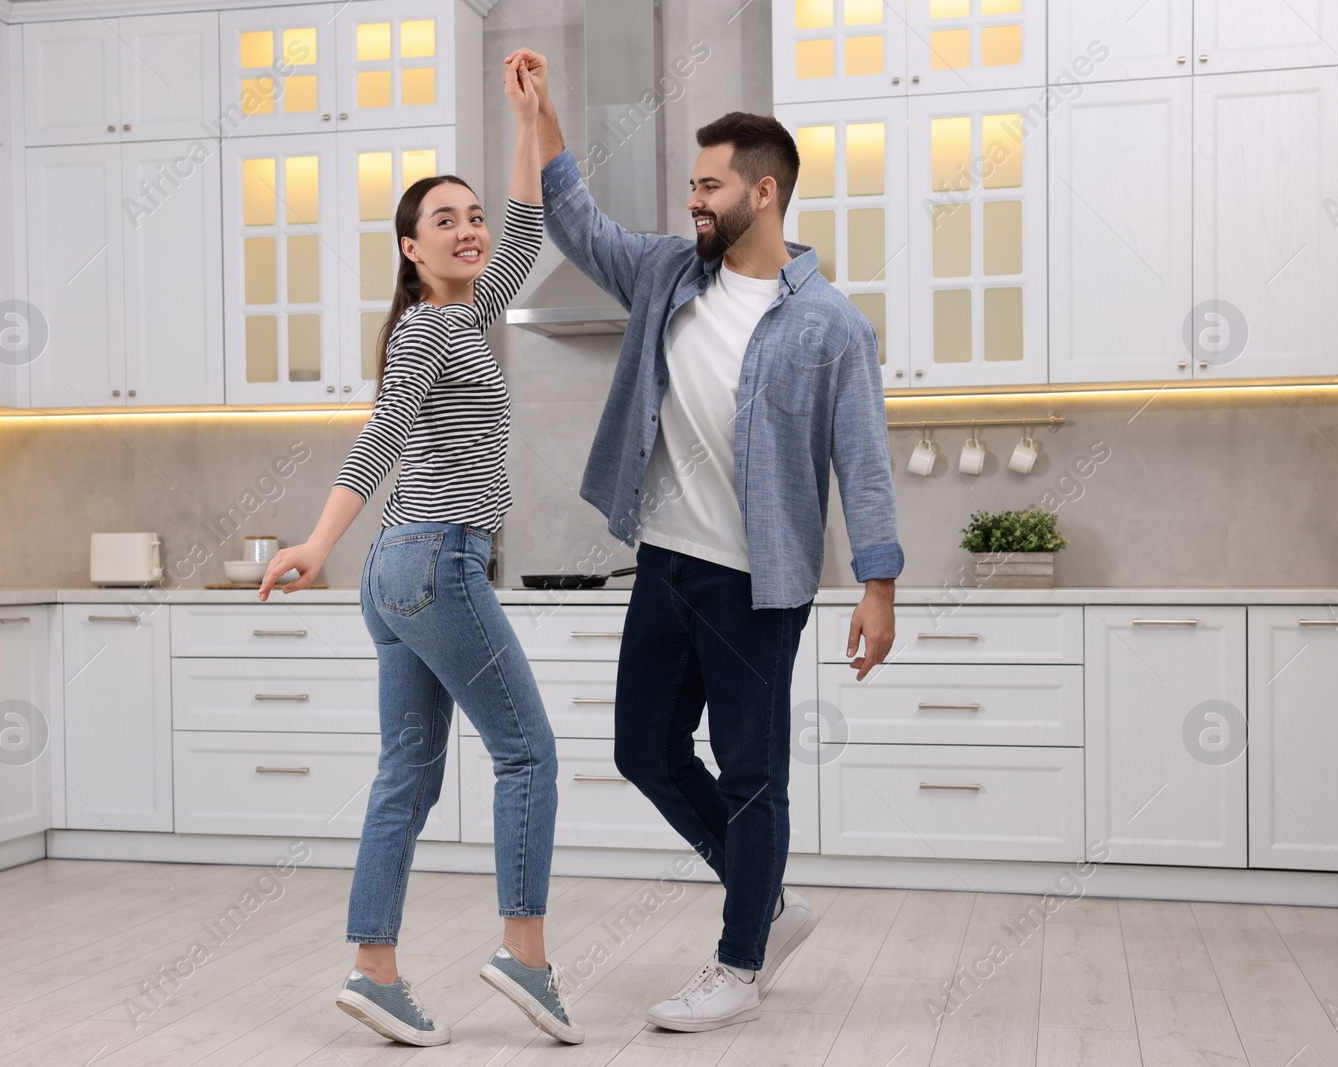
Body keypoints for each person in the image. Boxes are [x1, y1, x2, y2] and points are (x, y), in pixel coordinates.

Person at [503, 48, 903, 1032]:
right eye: (689, 186)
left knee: (751, 770)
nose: (693, 201)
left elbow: (863, 464)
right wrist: (541, 116)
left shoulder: (828, 327)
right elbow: (574, 219)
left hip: (757, 584)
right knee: (643, 747)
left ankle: (737, 960)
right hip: (666, 561)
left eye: (708, 185)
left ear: (762, 193)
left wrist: (877, 585)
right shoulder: (665, 274)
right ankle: (760, 897)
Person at [258, 54, 582, 1048]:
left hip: (403, 570)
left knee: (409, 772)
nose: (471, 228)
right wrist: (314, 539)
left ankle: (374, 966)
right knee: (527, 752)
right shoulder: (425, 334)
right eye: (446, 219)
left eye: (472, 214)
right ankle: (524, 956)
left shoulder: (470, 314)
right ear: (410, 246)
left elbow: (529, 227)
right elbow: (383, 432)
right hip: (432, 558)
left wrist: (535, 115)